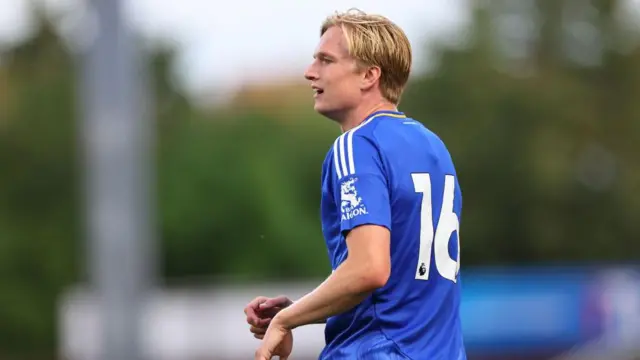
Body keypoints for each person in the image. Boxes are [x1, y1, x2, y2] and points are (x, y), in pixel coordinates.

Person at [244, 8, 466, 360]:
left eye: (325, 60)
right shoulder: (433, 146)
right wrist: (305, 309)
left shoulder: (357, 144)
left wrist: (285, 321)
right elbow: (398, 283)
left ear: (369, 75)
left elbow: (369, 269)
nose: (309, 71)